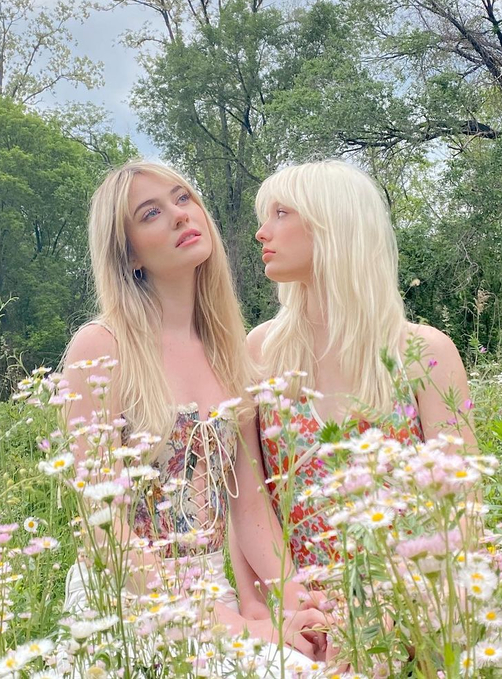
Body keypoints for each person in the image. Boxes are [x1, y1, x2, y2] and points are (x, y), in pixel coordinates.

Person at [60, 160, 326, 671]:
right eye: (151, 213)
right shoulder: (102, 346)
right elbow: (103, 532)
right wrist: (240, 626)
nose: (180, 215)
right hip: (126, 602)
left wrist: (300, 606)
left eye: (183, 198)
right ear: (129, 253)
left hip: (211, 593)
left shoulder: (229, 352)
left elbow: (250, 510)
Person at [232, 159, 476, 614]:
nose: (262, 233)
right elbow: (249, 500)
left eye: (281, 214)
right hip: (301, 614)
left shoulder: (424, 352)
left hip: (413, 606)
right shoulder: (261, 350)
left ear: (334, 225)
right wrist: (294, 606)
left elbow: (461, 503)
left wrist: (399, 605)